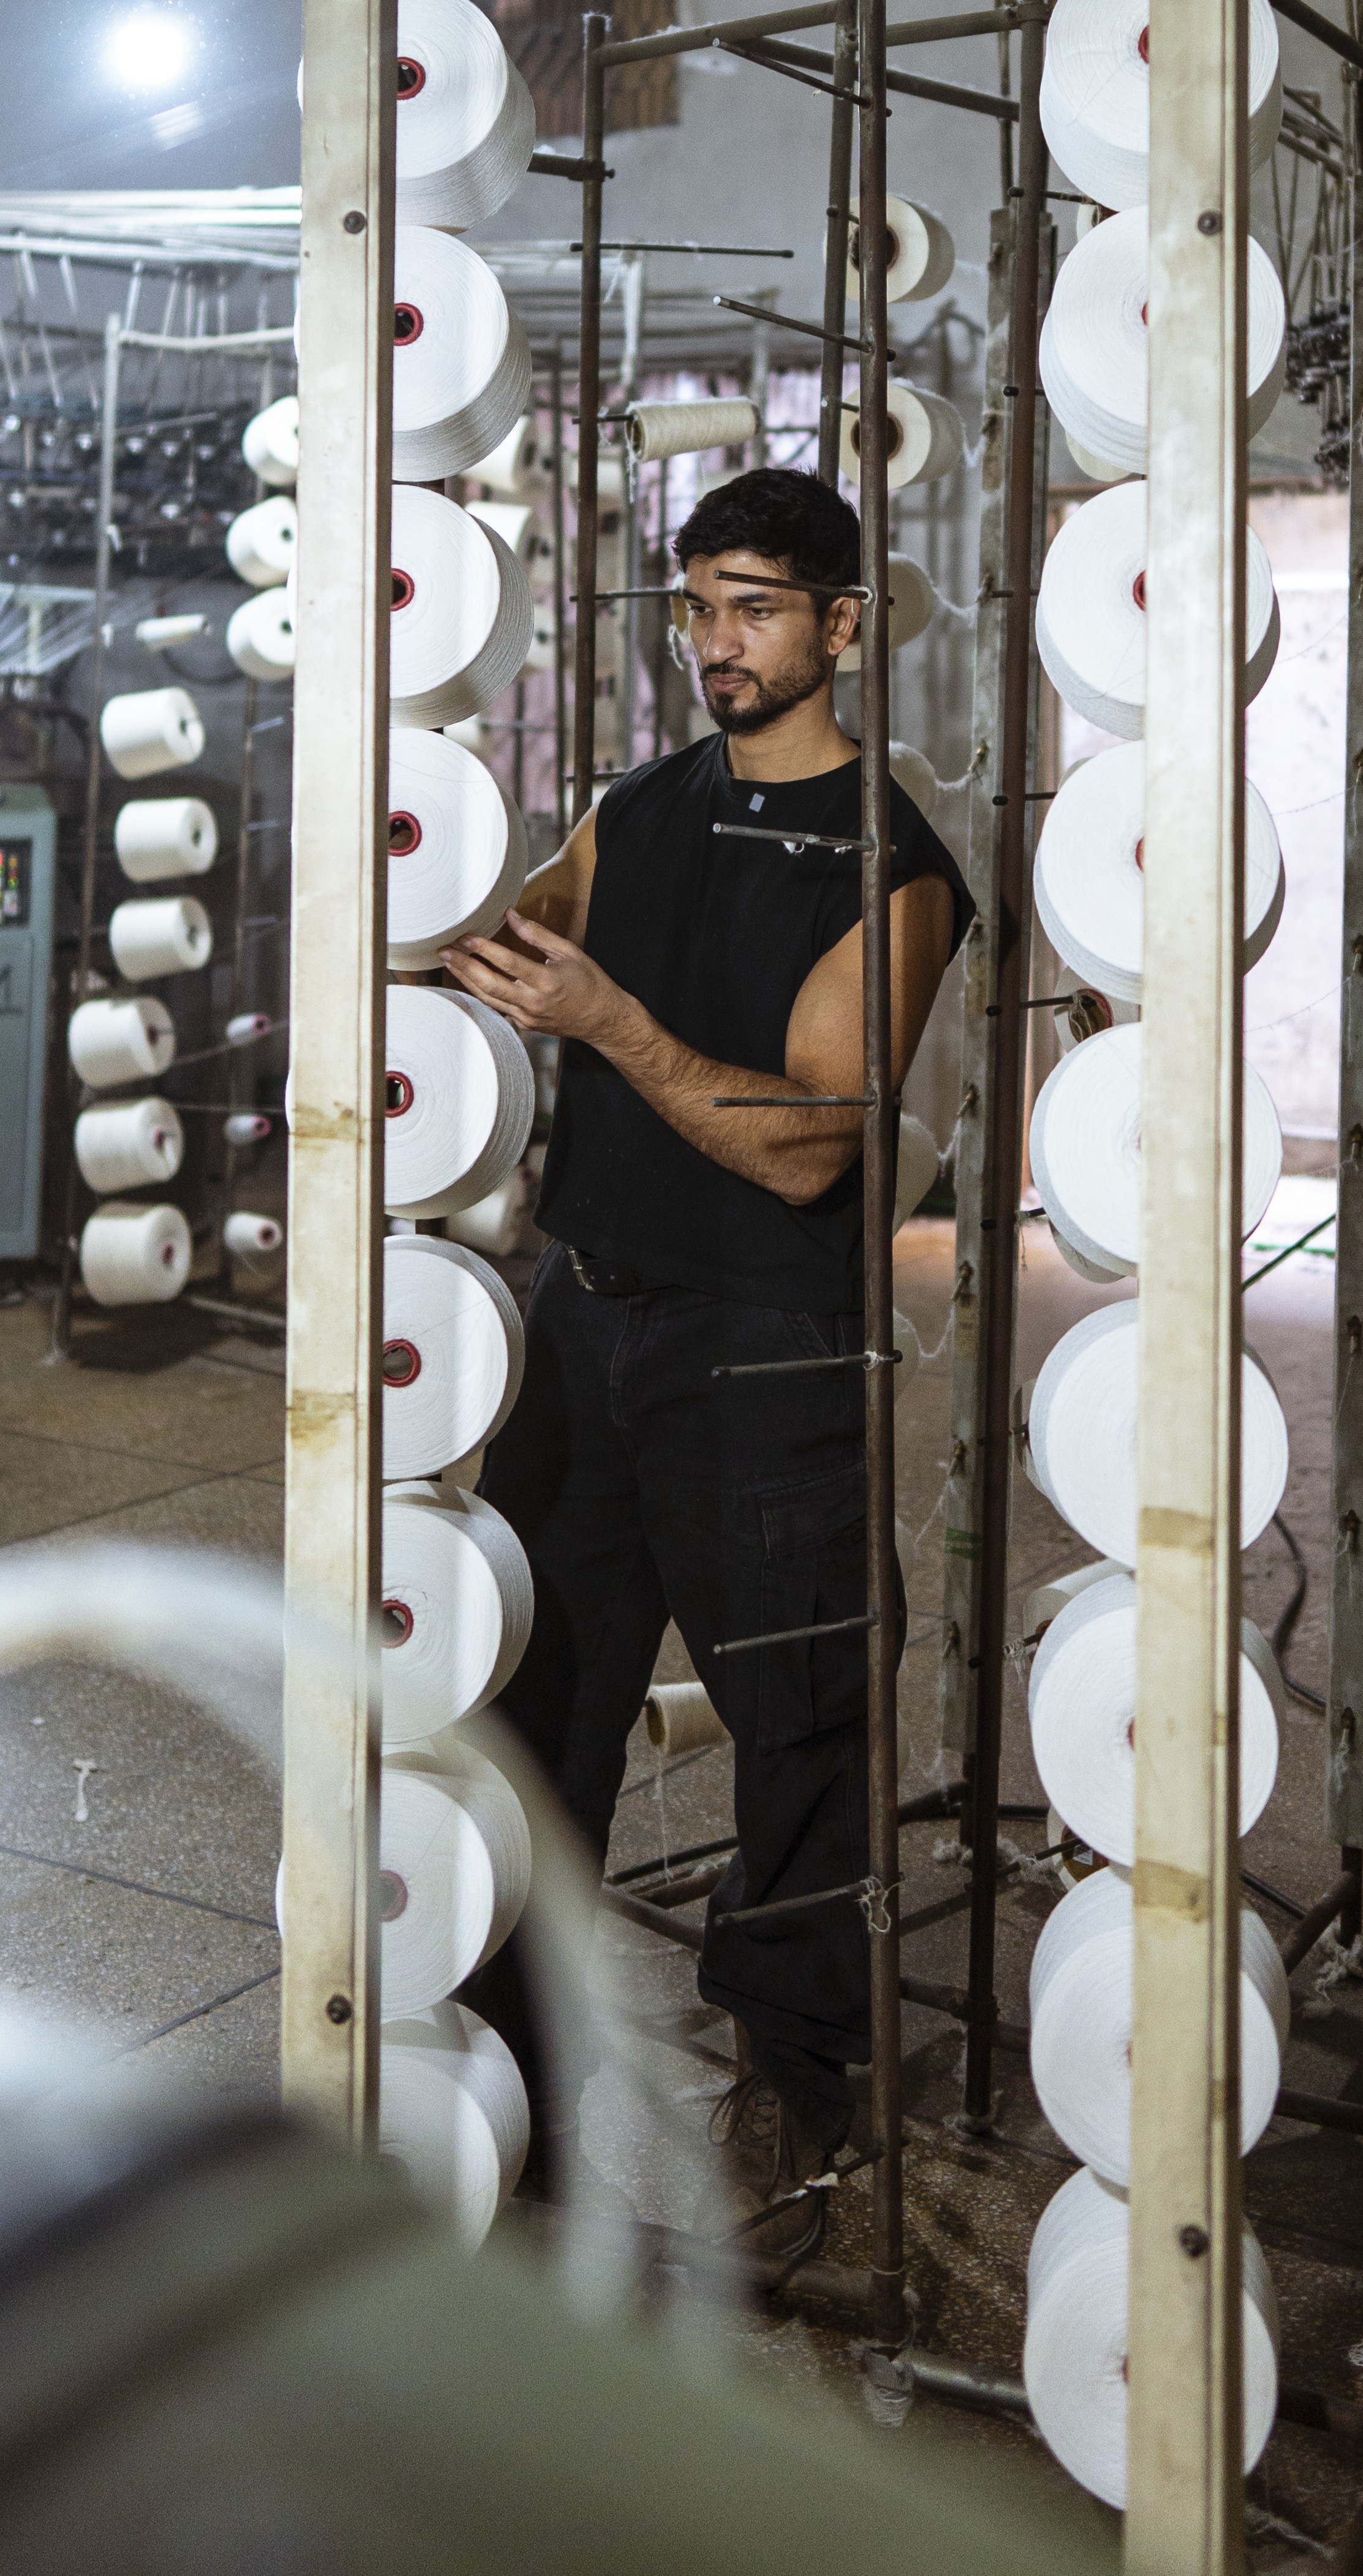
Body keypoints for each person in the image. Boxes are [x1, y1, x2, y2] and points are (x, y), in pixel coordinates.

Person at [444, 463, 971, 2253]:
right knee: (531, 1709)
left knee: (801, 1737)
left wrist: (609, 1023)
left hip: (765, 1355)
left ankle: (805, 2092)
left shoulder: (888, 863)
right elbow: (494, 935)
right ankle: (511, 2082)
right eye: (692, 606)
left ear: (843, 623)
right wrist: (419, 853)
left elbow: (815, 1141)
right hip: (584, 1328)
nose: (714, 643)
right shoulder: (641, 807)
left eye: (751, 606)